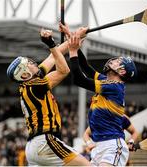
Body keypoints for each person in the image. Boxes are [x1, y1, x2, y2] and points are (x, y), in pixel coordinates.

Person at [6, 28, 90, 166]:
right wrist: (51, 44)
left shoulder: (29, 83)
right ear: (25, 74)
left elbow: (53, 56)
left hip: (33, 148)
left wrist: (73, 38)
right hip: (45, 142)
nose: (34, 63)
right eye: (30, 64)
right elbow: (63, 71)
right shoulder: (35, 86)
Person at [64, 26, 137, 166]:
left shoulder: (114, 87)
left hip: (112, 145)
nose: (113, 61)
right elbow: (85, 67)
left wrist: (72, 51)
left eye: (118, 62)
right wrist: (72, 39)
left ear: (122, 72)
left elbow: (79, 79)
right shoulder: (107, 81)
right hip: (98, 147)